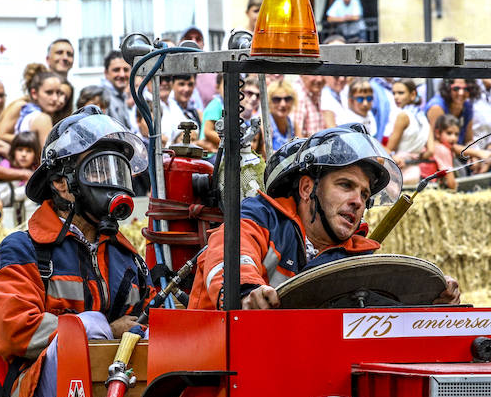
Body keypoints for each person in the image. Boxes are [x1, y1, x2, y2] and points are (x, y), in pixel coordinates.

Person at [0, 108, 151, 397]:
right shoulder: (23, 248)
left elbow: (151, 316)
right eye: (100, 169)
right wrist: (105, 329)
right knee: (86, 327)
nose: (112, 181)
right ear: (61, 183)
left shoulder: (126, 256)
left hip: (117, 396)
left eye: (118, 170)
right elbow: (10, 331)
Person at [189, 125, 460, 310]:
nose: (358, 201)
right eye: (345, 185)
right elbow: (229, 258)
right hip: (216, 371)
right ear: (307, 188)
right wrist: (247, 293)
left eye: (365, 194)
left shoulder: (355, 257)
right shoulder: (259, 218)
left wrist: (430, 302)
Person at [100, 51, 134, 130]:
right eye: (116, 70)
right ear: (106, 73)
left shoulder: (123, 96)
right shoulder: (101, 97)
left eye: (126, 70)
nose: (122, 75)